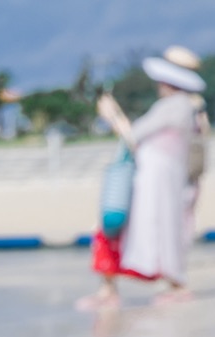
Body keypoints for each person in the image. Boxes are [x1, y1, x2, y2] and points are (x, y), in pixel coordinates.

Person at [81, 53, 205, 308]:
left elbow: (133, 136)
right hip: (158, 175)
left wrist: (112, 116)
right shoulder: (186, 108)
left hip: (155, 178)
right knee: (149, 227)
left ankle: (169, 284)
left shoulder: (175, 106)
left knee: (146, 226)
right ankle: (114, 287)